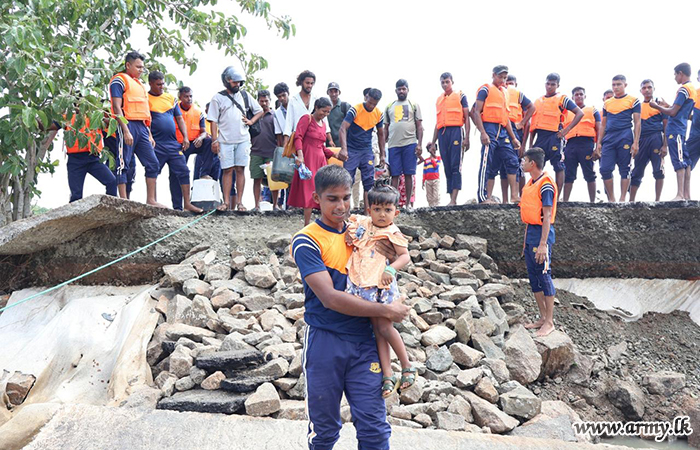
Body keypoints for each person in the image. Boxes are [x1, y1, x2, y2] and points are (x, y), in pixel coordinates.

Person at [290, 164, 410, 450]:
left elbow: (397, 256)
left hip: (365, 342)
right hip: (325, 341)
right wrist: (387, 311)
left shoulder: (364, 230)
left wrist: (390, 265)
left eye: (346, 198)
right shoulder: (307, 240)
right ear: (316, 199)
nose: (341, 206)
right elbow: (330, 298)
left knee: (375, 429)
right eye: (332, 199)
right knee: (324, 430)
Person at [344, 182, 415, 397]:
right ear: (369, 210)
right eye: (377, 209)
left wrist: (391, 269)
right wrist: (348, 235)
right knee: (377, 330)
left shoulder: (392, 232)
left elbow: (405, 256)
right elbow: (350, 231)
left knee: (385, 328)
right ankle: (387, 374)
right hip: (364, 284)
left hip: (380, 286)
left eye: (387, 210)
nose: (382, 214)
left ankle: (407, 366)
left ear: (396, 212)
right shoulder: (364, 223)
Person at [109, 51, 163, 206]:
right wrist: (125, 130)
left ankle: (151, 200)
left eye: (142, 67)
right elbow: (116, 107)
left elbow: (145, 112)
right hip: (127, 124)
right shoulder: (119, 80)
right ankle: (124, 200)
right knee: (123, 163)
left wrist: (149, 134)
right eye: (138, 67)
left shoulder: (139, 85)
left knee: (153, 163)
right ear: (128, 65)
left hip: (142, 127)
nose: (141, 70)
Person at [208, 66, 263, 211]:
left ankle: (240, 202)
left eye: (239, 82)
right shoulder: (217, 98)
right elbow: (213, 121)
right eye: (234, 82)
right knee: (227, 170)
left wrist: (251, 121)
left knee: (240, 170)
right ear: (227, 81)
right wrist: (214, 140)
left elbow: (259, 111)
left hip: (243, 139)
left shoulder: (245, 95)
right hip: (225, 140)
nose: (237, 85)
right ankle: (226, 202)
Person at [147, 71, 202, 213]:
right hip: (157, 143)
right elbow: (144, 120)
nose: (161, 87)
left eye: (163, 84)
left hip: (173, 143)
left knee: (183, 170)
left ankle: (187, 204)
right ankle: (152, 201)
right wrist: (149, 137)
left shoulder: (170, 98)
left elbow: (179, 118)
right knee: (153, 170)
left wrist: (185, 137)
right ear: (150, 84)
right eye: (158, 84)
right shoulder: (145, 98)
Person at [520, 147, 558, 337]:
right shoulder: (530, 183)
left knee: (544, 275)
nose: (522, 163)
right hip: (531, 234)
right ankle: (542, 317)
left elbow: (547, 216)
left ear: (532, 163)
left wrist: (543, 244)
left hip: (542, 235)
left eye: (524, 160)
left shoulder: (546, 185)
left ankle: (549, 322)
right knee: (533, 277)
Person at [471, 65, 522, 204]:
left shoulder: (505, 92)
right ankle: (483, 197)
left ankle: (514, 196)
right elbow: (475, 112)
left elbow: (506, 118)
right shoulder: (485, 89)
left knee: (512, 160)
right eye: (500, 77)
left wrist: (513, 138)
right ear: (493, 75)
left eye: (505, 78)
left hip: (502, 131)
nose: (503, 80)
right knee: (486, 162)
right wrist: (482, 132)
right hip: (489, 128)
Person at [528, 73, 584, 195]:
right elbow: (533, 125)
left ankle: (557, 197)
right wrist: (530, 144)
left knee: (558, 165)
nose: (549, 86)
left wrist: (566, 130)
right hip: (540, 137)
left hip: (554, 136)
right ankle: (536, 193)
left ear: (557, 85)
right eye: (548, 84)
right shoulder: (538, 101)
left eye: (553, 84)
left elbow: (579, 113)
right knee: (536, 164)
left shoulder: (562, 99)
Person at [650, 63, 697, 201]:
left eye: (675, 74)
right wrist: (667, 105)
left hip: (675, 128)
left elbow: (673, 112)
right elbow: (683, 111)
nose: (675, 77)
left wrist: (656, 106)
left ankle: (680, 194)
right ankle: (686, 195)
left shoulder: (684, 89)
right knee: (686, 160)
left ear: (680, 73)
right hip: (681, 128)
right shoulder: (692, 89)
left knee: (679, 160)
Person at [288, 98, 336, 225]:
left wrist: (335, 154)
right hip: (308, 158)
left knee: (322, 190)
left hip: (321, 161)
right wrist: (300, 155)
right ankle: (306, 223)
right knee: (309, 191)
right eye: (323, 111)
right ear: (316, 107)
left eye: (328, 112)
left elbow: (322, 146)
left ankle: (324, 222)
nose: (325, 114)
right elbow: (298, 137)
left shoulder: (324, 125)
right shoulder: (306, 119)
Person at [50, 114, 117, 202]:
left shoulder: (95, 115)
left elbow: (110, 124)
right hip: (75, 160)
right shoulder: (68, 116)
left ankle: (111, 207)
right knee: (76, 195)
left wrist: (107, 119)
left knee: (112, 181)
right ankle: (74, 211)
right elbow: (49, 126)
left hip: (93, 158)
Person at [595, 74, 641, 202]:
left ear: (625, 85)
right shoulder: (607, 103)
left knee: (625, 168)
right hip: (609, 137)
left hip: (625, 135)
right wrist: (599, 143)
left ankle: (622, 198)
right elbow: (603, 124)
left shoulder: (633, 100)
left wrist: (636, 142)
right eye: (613, 85)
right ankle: (612, 199)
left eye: (619, 84)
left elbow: (637, 122)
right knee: (604, 169)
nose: (616, 87)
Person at [339, 88, 385, 214]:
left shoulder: (378, 114)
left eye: (374, 104)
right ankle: (345, 213)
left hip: (366, 150)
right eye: (369, 102)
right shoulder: (355, 109)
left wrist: (382, 155)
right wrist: (344, 149)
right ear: (366, 97)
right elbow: (343, 128)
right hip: (352, 150)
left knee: (369, 182)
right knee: (347, 181)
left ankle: (367, 214)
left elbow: (381, 134)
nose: (371, 106)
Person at [427, 72, 470, 205]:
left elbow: (467, 118)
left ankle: (454, 199)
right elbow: (438, 123)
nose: (445, 84)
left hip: (456, 131)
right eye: (443, 82)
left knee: (455, 165)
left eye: (447, 82)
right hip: (442, 134)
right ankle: (451, 198)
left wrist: (467, 138)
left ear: (452, 82)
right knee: (447, 166)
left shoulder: (461, 95)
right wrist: (433, 142)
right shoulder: (439, 100)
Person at [170, 86, 212, 210]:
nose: (189, 99)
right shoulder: (173, 110)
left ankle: (204, 173)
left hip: (194, 142)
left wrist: (201, 138)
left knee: (209, 142)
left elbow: (204, 132)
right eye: (186, 97)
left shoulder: (198, 112)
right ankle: (177, 206)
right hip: (179, 145)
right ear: (180, 98)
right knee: (175, 174)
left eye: (190, 96)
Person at [384, 79, 423, 211]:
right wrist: (383, 147)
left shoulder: (413, 105)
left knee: (408, 173)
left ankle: (407, 204)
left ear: (407, 90)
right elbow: (385, 128)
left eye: (403, 89)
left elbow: (419, 126)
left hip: (410, 143)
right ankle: (394, 204)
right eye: (399, 89)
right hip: (393, 144)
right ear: (395, 91)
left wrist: (419, 144)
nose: (401, 91)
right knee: (394, 175)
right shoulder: (389, 106)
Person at [630, 80, 667, 202]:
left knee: (658, 169)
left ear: (653, 89)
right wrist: (634, 143)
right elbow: (635, 125)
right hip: (641, 139)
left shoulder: (659, 105)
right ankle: (631, 201)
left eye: (649, 87)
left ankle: (657, 200)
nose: (647, 90)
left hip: (655, 137)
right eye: (644, 88)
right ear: (641, 91)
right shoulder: (638, 106)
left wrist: (665, 145)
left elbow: (666, 125)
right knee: (637, 170)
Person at [562, 87, 600, 202]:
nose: (579, 96)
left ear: (585, 96)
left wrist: (598, 147)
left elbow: (599, 129)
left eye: (581, 94)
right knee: (568, 174)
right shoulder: (567, 112)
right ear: (572, 97)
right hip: (571, 144)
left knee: (589, 173)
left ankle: (592, 202)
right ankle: (565, 201)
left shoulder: (592, 110)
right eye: (576, 95)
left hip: (586, 143)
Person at [502, 74, 535, 199]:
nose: (509, 85)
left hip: (517, 134)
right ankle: (505, 199)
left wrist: (523, 145)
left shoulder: (519, 99)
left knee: (518, 167)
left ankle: (521, 196)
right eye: (507, 83)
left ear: (516, 84)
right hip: (503, 131)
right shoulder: (501, 95)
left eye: (511, 83)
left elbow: (527, 124)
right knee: (504, 166)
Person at [283, 70, 332, 146]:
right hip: (299, 140)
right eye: (307, 83)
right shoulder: (293, 100)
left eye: (312, 83)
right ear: (301, 82)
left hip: (316, 140)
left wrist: (330, 140)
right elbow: (288, 124)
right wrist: (285, 144)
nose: (309, 85)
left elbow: (324, 121)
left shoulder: (316, 99)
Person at [250, 89, 279, 211]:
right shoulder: (253, 116)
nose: (264, 103)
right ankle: (256, 205)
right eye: (261, 101)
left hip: (271, 152)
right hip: (256, 152)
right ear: (257, 101)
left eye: (266, 101)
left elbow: (279, 135)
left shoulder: (275, 116)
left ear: (270, 101)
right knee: (257, 178)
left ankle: (275, 205)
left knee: (274, 180)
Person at [273, 82, 290, 209]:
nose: (282, 98)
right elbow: (278, 133)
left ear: (288, 93)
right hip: (286, 147)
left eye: (284, 95)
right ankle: (289, 205)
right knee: (288, 176)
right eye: (279, 97)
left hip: (300, 144)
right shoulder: (277, 113)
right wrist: (282, 150)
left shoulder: (296, 106)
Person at [327, 82, 351, 148]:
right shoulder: (324, 107)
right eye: (331, 91)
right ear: (328, 93)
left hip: (343, 144)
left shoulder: (345, 106)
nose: (333, 94)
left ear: (339, 93)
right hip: (328, 144)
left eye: (336, 91)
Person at [686, 70, 700, 180]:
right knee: (686, 162)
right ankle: (684, 190)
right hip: (695, 135)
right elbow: (686, 113)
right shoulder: (694, 94)